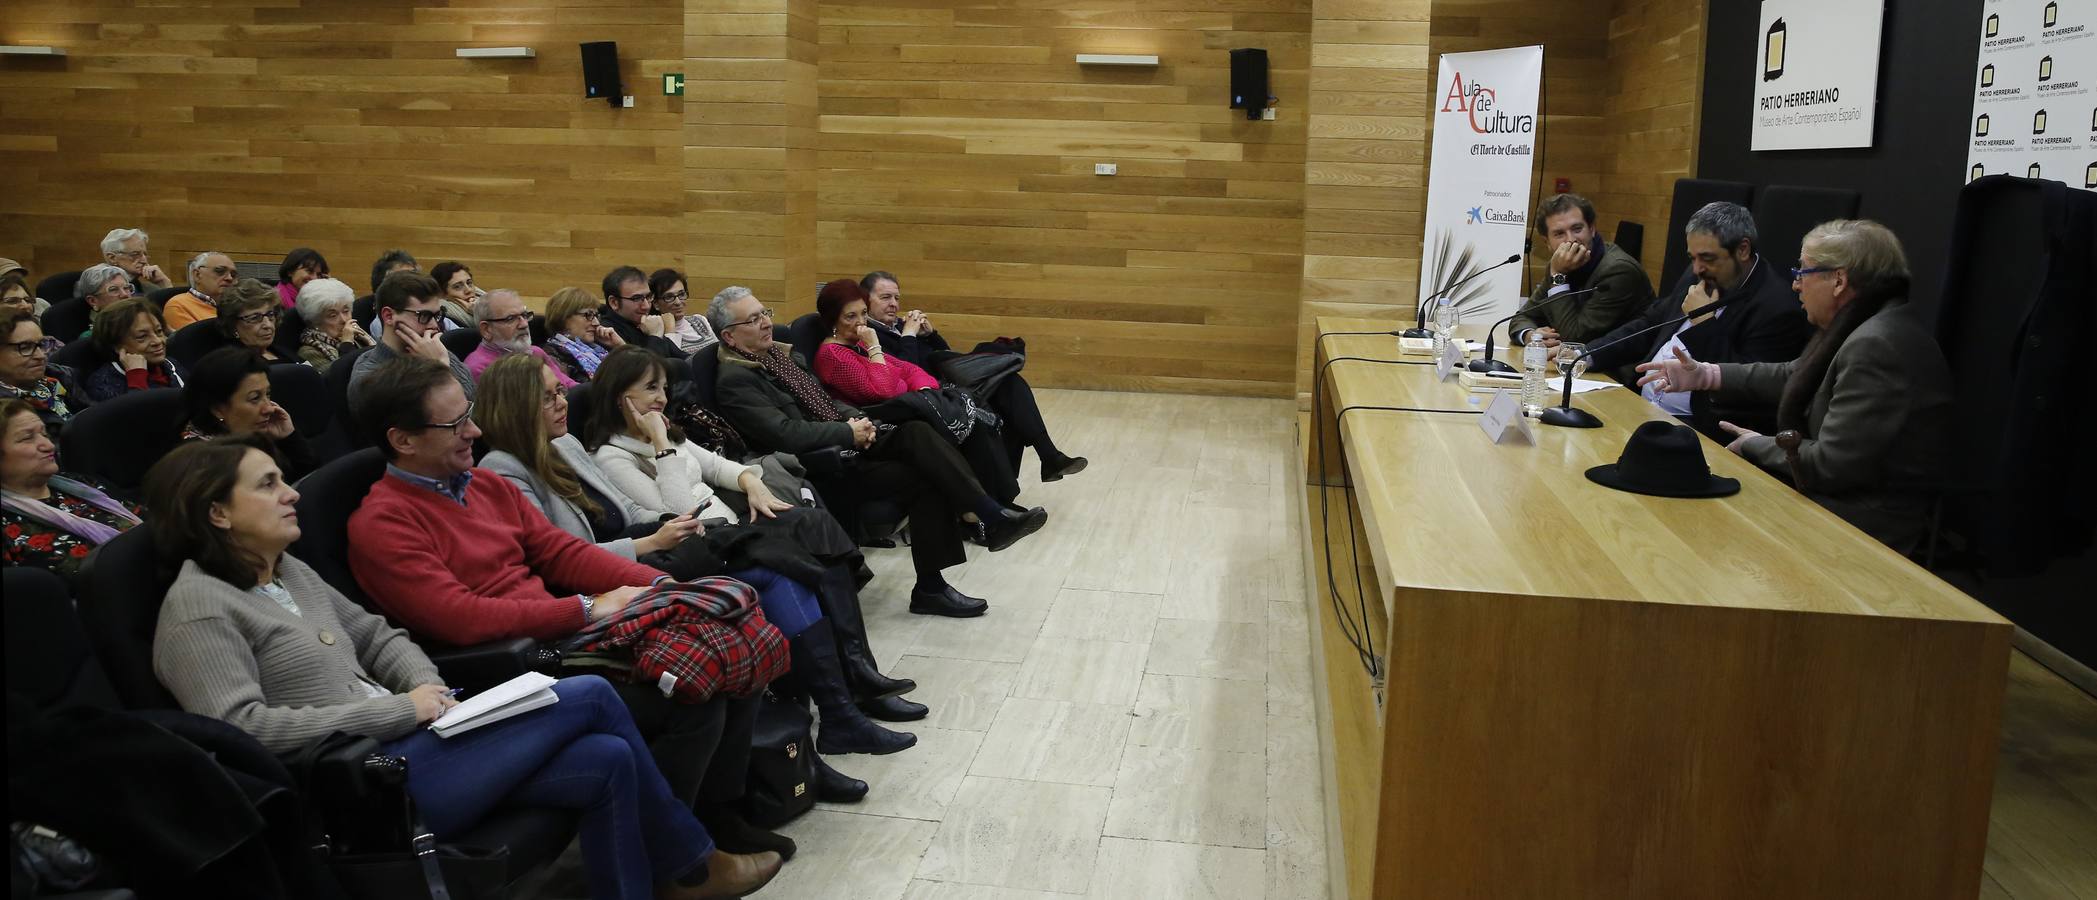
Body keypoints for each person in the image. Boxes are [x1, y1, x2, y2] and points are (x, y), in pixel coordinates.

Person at [143, 435, 783, 900]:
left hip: (418, 742)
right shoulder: (200, 606)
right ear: (217, 514)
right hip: (364, 790)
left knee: (608, 763)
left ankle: (666, 880)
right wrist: (400, 709)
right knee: (588, 695)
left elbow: (374, 634)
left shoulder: (287, 569)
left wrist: (422, 684)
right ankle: (692, 866)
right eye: (267, 486)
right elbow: (240, 732)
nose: (290, 494)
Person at [346, 357, 803, 858]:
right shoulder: (382, 524)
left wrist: (666, 588)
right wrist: (585, 609)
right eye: (455, 424)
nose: (474, 430)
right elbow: (461, 617)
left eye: (468, 414)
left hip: (562, 635)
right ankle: (673, 855)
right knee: (694, 692)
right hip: (512, 666)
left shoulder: (486, 485)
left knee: (728, 646)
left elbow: (563, 553)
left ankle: (721, 817)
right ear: (403, 440)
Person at [494, 351, 925, 744]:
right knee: (781, 568)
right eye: (550, 397)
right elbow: (578, 548)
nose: (562, 402)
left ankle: (846, 696)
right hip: (643, 567)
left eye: (560, 393)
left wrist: (750, 482)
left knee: (808, 544)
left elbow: (683, 486)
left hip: (688, 541)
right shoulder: (592, 456)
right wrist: (660, 460)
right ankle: (839, 708)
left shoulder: (564, 444)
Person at [709, 286, 1046, 617]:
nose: (766, 323)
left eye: (764, 313)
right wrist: (847, 432)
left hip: (844, 440)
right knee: (926, 465)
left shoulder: (782, 357)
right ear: (730, 337)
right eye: (753, 320)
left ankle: (942, 574)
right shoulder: (736, 380)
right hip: (819, 466)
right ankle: (983, 524)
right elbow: (786, 434)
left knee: (919, 435)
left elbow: (824, 401)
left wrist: (856, 420)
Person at [1637, 219, 1952, 553]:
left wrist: (1755, 444)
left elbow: (1830, 465)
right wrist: (1707, 374)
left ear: (1839, 280)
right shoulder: (1864, 324)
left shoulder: (1876, 346)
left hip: (1861, 524)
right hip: (1837, 500)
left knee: (1692, 530)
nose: (1795, 285)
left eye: (1803, 272)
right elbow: (1795, 373)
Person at [1585, 202, 1810, 436]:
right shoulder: (1698, 273)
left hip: (1698, 431)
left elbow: (1743, 388)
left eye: (1707, 258)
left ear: (1743, 249)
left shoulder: (1778, 308)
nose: (1696, 268)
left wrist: (1703, 323)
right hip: (1639, 408)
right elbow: (1650, 324)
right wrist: (1586, 355)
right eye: (1692, 257)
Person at [861, 270, 1086, 481]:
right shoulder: (870, 337)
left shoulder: (900, 326)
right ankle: (1037, 467)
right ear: (866, 301)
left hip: (948, 386)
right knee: (1001, 404)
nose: (894, 304)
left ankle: (1047, 456)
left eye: (897, 298)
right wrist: (909, 336)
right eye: (885, 297)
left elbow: (943, 358)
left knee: (1009, 382)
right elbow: (903, 372)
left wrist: (931, 335)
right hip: (929, 398)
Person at [813, 279, 1020, 503]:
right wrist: (875, 347)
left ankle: (999, 501)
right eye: (850, 317)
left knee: (974, 414)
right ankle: (985, 509)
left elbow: (909, 369)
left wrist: (924, 390)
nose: (861, 322)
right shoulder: (833, 355)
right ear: (833, 320)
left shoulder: (857, 344)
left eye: (863, 313)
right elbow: (883, 391)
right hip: (879, 420)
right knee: (967, 422)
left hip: (908, 405)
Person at [1, 399, 141, 578]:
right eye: (27, 438)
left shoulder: (81, 483)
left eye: (45, 434)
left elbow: (149, 522)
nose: (49, 446)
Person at [1509, 193, 1655, 348]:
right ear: (1547, 242)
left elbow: (1574, 338)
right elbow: (1522, 317)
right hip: (1576, 363)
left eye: (1577, 229)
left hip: (1619, 368)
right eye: (1559, 234)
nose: (1571, 239)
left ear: (1592, 229)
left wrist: (1558, 276)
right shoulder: (1559, 264)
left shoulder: (1618, 270)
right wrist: (1530, 335)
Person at [180, 347, 315, 481]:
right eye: (255, 398)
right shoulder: (201, 463)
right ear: (218, 409)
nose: (269, 408)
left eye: (267, 394)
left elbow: (309, 482)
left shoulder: (254, 435)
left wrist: (289, 438)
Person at [347, 270, 474, 409]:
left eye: (437, 315)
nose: (434, 325)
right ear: (389, 316)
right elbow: (418, 420)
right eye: (424, 315)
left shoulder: (436, 352)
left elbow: (473, 404)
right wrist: (438, 369)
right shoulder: (368, 373)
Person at [463, 288, 575, 388]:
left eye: (525, 315)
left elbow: (568, 384)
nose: (524, 324)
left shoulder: (536, 352)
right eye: (511, 318)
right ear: (486, 329)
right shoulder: (479, 369)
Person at [81, 299, 186, 402]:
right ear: (116, 346)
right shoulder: (103, 384)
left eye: (158, 331)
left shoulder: (171, 364)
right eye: (142, 336)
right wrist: (137, 377)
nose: (158, 341)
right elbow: (138, 417)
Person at [1, 313, 84, 432]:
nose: (41, 356)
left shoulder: (60, 377)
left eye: (41, 345)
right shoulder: (4, 409)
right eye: (25, 347)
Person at [543, 285, 626, 382]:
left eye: (596, 315)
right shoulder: (553, 355)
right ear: (564, 317)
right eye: (588, 315)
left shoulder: (598, 348)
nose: (596, 323)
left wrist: (620, 346)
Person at [292, 277, 375, 369]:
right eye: (333, 315)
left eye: (346, 311)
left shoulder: (359, 338)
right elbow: (343, 377)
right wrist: (346, 344)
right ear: (314, 322)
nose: (344, 320)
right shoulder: (310, 352)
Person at [602, 266, 683, 358]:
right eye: (636, 298)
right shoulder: (608, 334)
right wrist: (655, 335)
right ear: (614, 302)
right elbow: (648, 369)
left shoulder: (645, 322)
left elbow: (685, 360)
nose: (646, 306)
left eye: (648, 297)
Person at [214, 278, 288, 362]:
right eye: (255, 318)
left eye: (270, 315)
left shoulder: (279, 349)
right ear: (232, 325)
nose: (268, 325)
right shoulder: (237, 365)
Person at [163, 251, 239, 331]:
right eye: (220, 271)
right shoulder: (178, 306)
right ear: (197, 275)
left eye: (233, 275)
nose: (229, 278)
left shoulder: (240, 306)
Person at [650, 268, 719, 355]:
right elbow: (672, 362)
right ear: (656, 304)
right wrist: (670, 330)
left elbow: (720, 352)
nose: (678, 302)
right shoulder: (656, 333)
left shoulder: (699, 320)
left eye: (681, 294)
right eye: (669, 297)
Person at [99, 228, 173, 291]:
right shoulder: (99, 290)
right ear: (112, 258)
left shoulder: (151, 290)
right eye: (135, 254)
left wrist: (164, 283)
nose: (144, 260)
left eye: (145, 254)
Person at [427, 261, 482, 328]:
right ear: (441, 294)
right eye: (457, 287)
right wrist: (479, 313)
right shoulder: (446, 319)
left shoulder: (482, 297)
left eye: (469, 283)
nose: (468, 290)